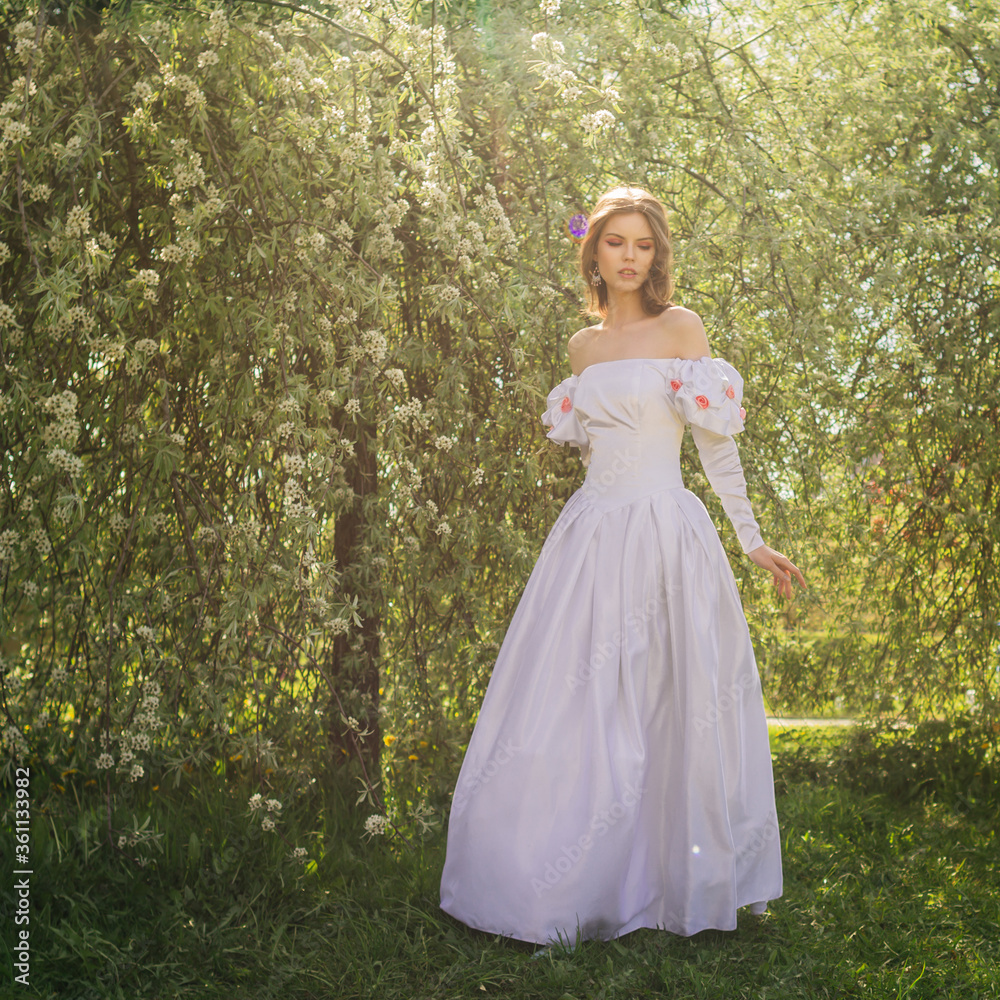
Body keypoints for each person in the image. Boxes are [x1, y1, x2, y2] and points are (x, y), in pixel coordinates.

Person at [439, 186, 806, 948]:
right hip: (591, 540)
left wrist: (752, 539)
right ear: (595, 255)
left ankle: (678, 880)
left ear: (656, 254)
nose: (630, 256)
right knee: (578, 699)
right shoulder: (583, 349)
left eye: (642, 244)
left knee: (672, 697)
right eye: (616, 244)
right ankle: (570, 877)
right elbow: (595, 451)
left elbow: (715, 445)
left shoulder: (683, 329)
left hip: (668, 531)